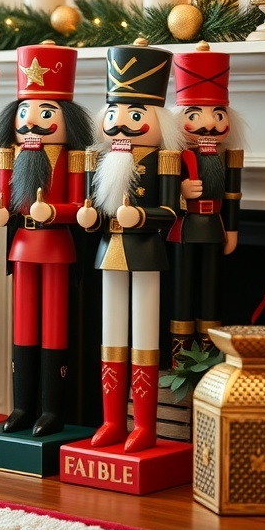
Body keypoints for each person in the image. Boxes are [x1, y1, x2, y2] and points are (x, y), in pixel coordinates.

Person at [77, 41, 182, 453]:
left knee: (144, 338)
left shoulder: (165, 160)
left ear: (155, 119)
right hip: (109, 251)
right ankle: (110, 421)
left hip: (146, 251)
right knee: (111, 337)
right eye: (115, 115)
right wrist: (91, 220)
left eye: (135, 115)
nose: (122, 125)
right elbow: (93, 210)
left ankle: (144, 426)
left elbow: (172, 213)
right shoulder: (96, 159)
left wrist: (142, 217)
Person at [0, 42, 93, 437]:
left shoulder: (71, 159)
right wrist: (1, 212)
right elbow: (2, 201)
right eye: (24, 113)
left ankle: (52, 409)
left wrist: (58, 212)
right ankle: (21, 406)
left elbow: (77, 204)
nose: (32, 122)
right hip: (22, 247)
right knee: (23, 326)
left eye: (45, 112)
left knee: (54, 326)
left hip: (56, 247)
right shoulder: (12, 157)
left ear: (67, 118)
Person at [168, 42, 245, 363]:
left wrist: (234, 231)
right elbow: (162, 191)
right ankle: (181, 359)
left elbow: (232, 196)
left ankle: (210, 359)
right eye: (194, 114)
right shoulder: (175, 157)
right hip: (185, 229)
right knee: (182, 291)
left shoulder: (229, 157)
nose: (209, 124)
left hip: (215, 228)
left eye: (217, 114)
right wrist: (180, 192)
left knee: (212, 292)